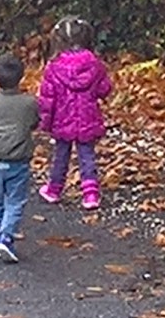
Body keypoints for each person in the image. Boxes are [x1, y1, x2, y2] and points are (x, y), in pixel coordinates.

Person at [37, 15, 114, 212]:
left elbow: (47, 99)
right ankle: (90, 193)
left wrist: (44, 122)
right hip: (87, 117)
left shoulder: (53, 68)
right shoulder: (94, 65)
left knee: (61, 155)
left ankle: (54, 189)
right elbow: (104, 89)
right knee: (87, 155)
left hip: (62, 119)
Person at [0, 52, 40, 263]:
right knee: (16, 200)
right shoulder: (29, 103)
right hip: (19, 159)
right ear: (21, 77)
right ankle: (7, 235)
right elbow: (34, 123)